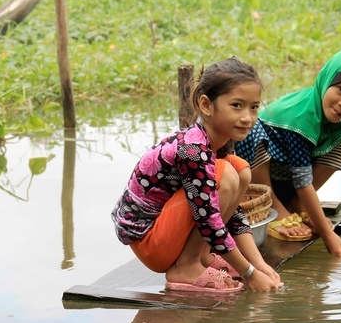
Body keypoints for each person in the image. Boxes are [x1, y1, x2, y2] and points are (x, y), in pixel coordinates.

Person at [112, 57, 282, 293]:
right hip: (150, 241)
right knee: (226, 173)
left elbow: (232, 214)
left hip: (170, 229)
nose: (247, 117)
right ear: (206, 105)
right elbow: (209, 220)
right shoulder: (193, 151)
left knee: (240, 169)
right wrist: (249, 274)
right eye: (237, 105)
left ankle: (202, 258)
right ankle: (187, 266)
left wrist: (258, 263)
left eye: (254, 107)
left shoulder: (220, 142)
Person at [234, 48, 341, 257]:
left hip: (293, 182)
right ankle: (275, 208)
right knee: (252, 131)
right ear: (327, 80)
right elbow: (302, 179)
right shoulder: (302, 116)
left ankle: (296, 202)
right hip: (258, 182)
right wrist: (326, 233)